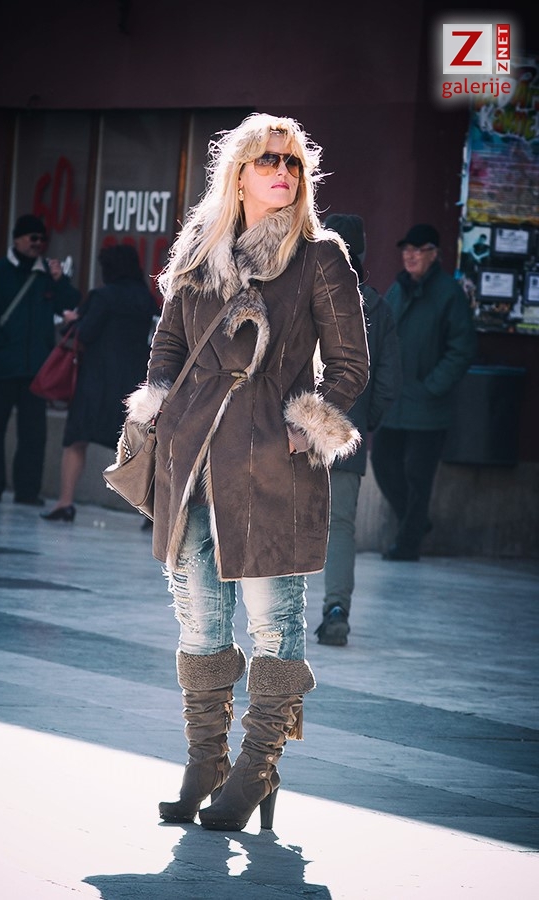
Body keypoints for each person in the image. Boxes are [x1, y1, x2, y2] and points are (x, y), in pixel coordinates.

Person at [123, 112, 369, 832]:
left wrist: (306, 427)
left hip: (270, 466)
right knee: (201, 622)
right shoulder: (200, 251)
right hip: (192, 460)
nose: (283, 173)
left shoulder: (320, 258)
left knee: (273, 623)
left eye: (293, 163)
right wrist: (159, 408)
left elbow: (350, 365)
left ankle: (259, 766)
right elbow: (168, 344)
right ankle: (206, 761)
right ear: (239, 173)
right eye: (269, 160)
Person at [315, 214, 401, 646]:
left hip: (294, 430)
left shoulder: (301, 295)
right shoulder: (377, 308)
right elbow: (388, 383)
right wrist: (364, 422)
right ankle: (335, 609)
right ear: (362, 253)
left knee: (284, 519)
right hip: (346, 433)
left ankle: (277, 615)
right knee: (340, 526)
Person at [371, 223, 477, 561]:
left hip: (429, 406)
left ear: (434, 254)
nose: (410, 255)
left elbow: (462, 348)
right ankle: (417, 523)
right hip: (395, 402)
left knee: (418, 476)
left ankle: (408, 544)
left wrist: (432, 386)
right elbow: (381, 336)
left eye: (418, 250)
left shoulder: (449, 293)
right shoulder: (398, 289)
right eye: (407, 249)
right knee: (383, 464)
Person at [41, 243, 159, 522]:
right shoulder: (146, 299)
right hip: (134, 386)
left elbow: (85, 334)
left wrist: (72, 320)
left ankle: (65, 502)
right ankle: (151, 513)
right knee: (141, 448)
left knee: (76, 441)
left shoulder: (102, 296)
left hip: (96, 382)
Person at [0, 214, 80, 506]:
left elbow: (70, 303)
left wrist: (60, 280)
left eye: (42, 239)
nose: (38, 243)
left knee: (33, 434)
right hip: (1, 366)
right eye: (32, 238)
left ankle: (27, 491)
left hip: (36, 370)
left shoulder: (48, 275)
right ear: (17, 239)